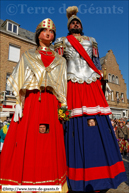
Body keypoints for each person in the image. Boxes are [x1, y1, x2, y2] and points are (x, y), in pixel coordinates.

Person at [54, 6, 127, 192]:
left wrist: (100, 79)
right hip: (72, 82)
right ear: (69, 26)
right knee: (75, 122)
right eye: (72, 22)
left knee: (98, 122)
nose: (76, 23)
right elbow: (59, 65)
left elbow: (94, 62)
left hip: (91, 82)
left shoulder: (91, 40)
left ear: (81, 25)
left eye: (78, 22)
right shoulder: (61, 41)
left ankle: (104, 170)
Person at [0, 18, 68, 192]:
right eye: (46, 31)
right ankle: (26, 179)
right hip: (31, 101)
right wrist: (18, 102)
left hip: (51, 101)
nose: (49, 33)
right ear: (38, 35)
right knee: (29, 138)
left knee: (50, 142)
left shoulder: (60, 60)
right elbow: (19, 79)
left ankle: (51, 181)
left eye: (52, 31)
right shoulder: (28, 55)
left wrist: (63, 106)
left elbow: (62, 85)